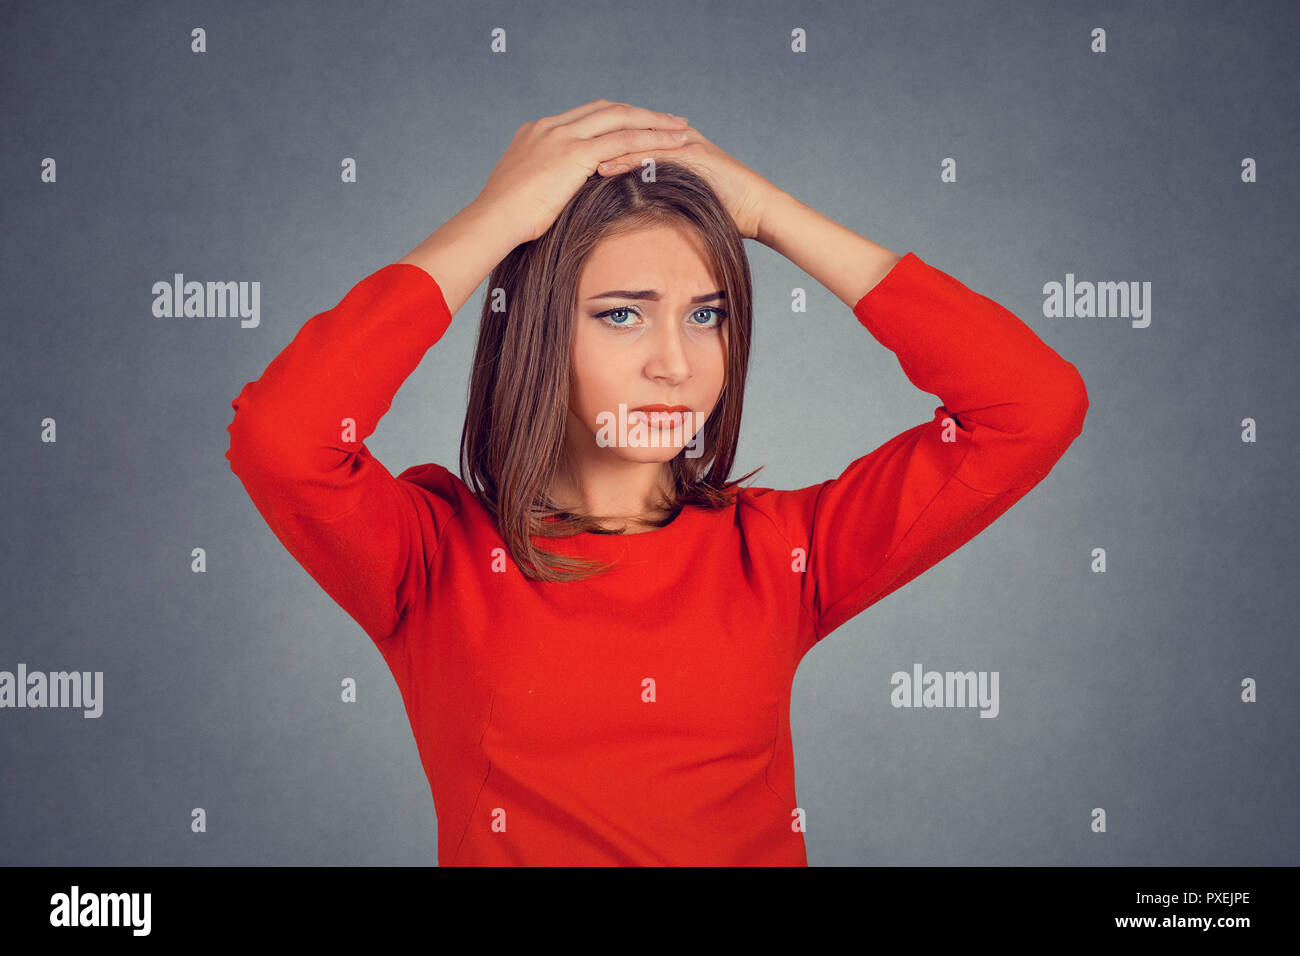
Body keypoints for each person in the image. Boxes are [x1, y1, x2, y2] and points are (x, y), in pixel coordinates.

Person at [226, 99, 1088, 865]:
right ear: (534, 333)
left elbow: (1031, 407)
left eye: (706, 315)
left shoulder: (783, 555)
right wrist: (497, 219)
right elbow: (283, 439)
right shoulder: (433, 557)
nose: (676, 364)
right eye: (622, 314)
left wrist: (770, 214)